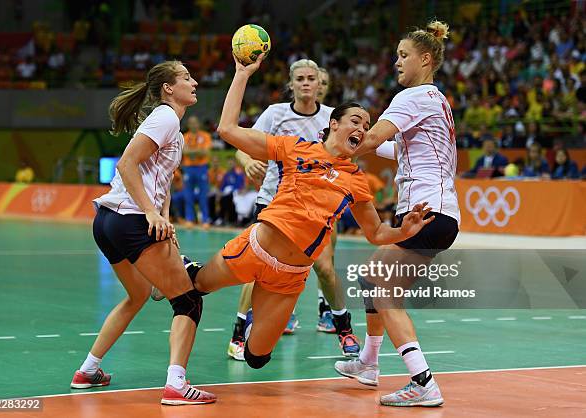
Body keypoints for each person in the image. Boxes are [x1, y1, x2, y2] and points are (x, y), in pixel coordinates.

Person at [182, 53, 432, 375]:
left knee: (257, 357)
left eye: (367, 125)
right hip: (255, 249)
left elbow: (376, 234)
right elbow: (228, 130)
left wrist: (405, 231)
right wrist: (242, 74)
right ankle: (181, 268)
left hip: (289, 277)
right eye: (355, 120)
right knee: (197, 285)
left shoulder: (355, 180)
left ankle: (258, 313)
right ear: (334, 124)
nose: (363, 127)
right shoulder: (295, 147)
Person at [70, 60, 216, 406]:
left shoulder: (173, 130)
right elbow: (126, 164)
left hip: (108, 220)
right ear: (168, 88)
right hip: (132, 219)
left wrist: (166, 219)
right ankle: (176, 385)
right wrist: (150, 212)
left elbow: (160, 183)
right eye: (186, 78)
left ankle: (88, 370)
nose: (194, 82)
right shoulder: (165, 118)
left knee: (138, 295)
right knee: (188, 300)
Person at [334, 21, 460, 408]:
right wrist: (364, 145)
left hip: (425, 212)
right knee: (374, 278)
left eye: (404, 55)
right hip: (437, 214)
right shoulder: (434, 99)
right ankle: (369, 364)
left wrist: (333, 143)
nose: (396, 62)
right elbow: (394, 149)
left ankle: (422, 381)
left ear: (426, 59)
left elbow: (369, 140)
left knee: (383, 290)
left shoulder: (412, 97)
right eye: (396, 55)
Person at [231, 60, 360, 362]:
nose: (305, 83)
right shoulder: (275, 114)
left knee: (325, 269)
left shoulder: (332, 117)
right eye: (299, 78)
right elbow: (241, 143)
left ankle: (342, 327)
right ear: (291, 83)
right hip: (275, 204)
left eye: (311, 78)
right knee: (259, 270)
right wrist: (247, 161)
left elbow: (354, 150)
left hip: (317, 210)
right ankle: (238, 334)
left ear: (320, 84)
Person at [182, 115, 213, 228]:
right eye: (191, 123)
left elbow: (205, 152)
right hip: (188, 168)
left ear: (198, 124)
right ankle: (189, 219)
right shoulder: (184, 136)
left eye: (195, 122)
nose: (193, 125)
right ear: (188, 125)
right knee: (188, 195)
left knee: (203, 195)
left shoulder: (206, 136)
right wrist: (198, 151)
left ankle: (205, 220)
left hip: (202, 168)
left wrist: (191, 151)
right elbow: (183, 152)